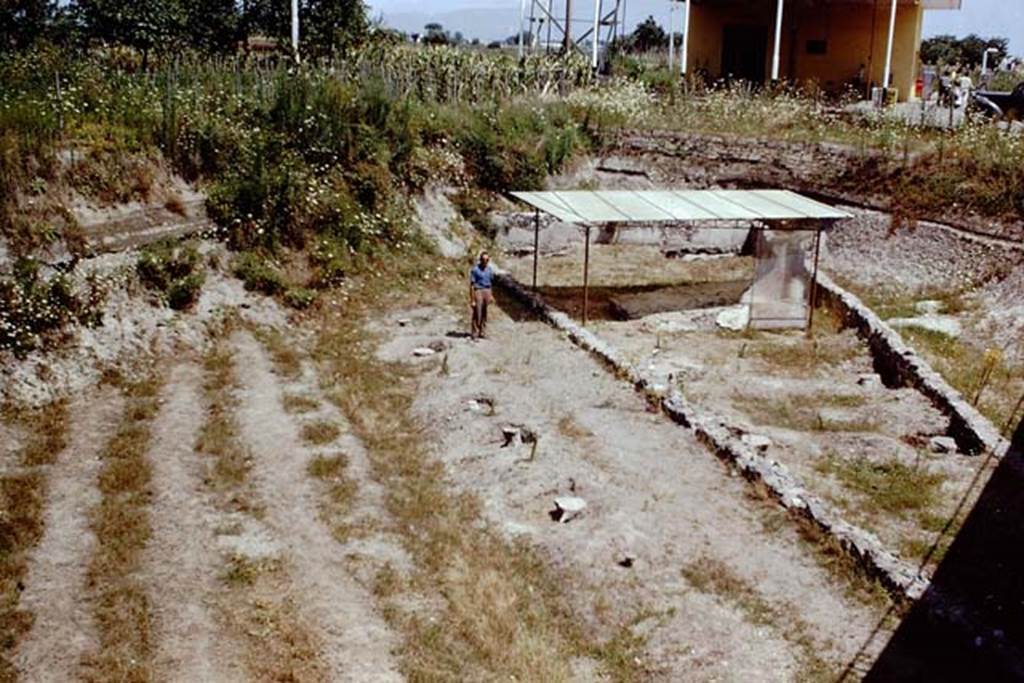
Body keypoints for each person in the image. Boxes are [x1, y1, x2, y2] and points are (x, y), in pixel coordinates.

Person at [468, 251, 495, 340]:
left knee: (484, 312)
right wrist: (472, 300)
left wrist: (491, 295)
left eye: (487, 260)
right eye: (483, 259)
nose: (485, 261)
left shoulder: (489, 270)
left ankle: (483, 331)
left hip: (487, 290)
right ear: (480, 260)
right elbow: (472, 285)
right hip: (478, 290)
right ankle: (474, 333)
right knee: (477, 312)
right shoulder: (475, 270)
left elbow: (490, 283)